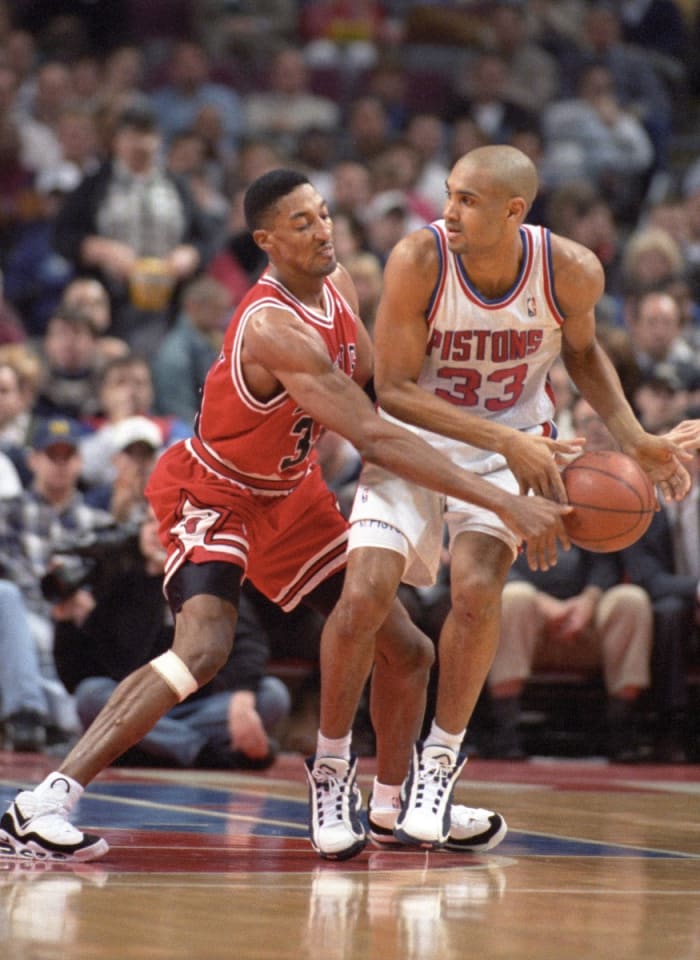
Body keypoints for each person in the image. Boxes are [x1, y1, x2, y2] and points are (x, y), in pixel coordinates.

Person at [0, 167, 576, 864]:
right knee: (204, 648)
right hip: (215, 489)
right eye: (301, 223)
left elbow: (387, 391)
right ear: (266, 241)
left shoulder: (339, 287)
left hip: (290, 493)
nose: (323, 229)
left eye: (324, 213)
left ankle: (394, 807)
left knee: (410, 649)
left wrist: (507, 424)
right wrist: (501, 493)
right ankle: (44, 802)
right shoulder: (274, 326)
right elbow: (372, 433)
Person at [335, 144, 689, 850]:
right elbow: (395, 390)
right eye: (450, 193)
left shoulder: (571, 270)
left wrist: (633, 435)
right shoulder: (420, 259)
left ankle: (439, 766)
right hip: (419, 441)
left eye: (468, 199)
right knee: (366, 596)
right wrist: (505, 444)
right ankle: (347, 771)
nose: (450, 209)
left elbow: (583, 353)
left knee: (477, 591)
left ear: (514, 211)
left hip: (516, 446)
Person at [53, 511, 290, 770]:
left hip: (197, 707)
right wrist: (66, 625)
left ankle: (148, 748)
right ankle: (199, 751)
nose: (156, 531)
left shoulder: (207, 582)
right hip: (135, 705)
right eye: (148, 522)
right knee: (91, 695)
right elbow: (76, 678)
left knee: (272, 695)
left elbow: (249, 643)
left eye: (166, 523)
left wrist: (242, 699)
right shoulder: (116, 582)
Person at [487, 397, 654, 762]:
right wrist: (547, 605)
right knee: (513, 598)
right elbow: (497, 558)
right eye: (586, 420)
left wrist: (589, 600)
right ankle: (506, 730)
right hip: (529, 617)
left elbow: (608, 564)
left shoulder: (612, 485)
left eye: (601, 419)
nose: (595, 427)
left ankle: (622, 731)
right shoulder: (516, 482)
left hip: (585, 617)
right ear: (570, 433)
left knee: (632, 602)